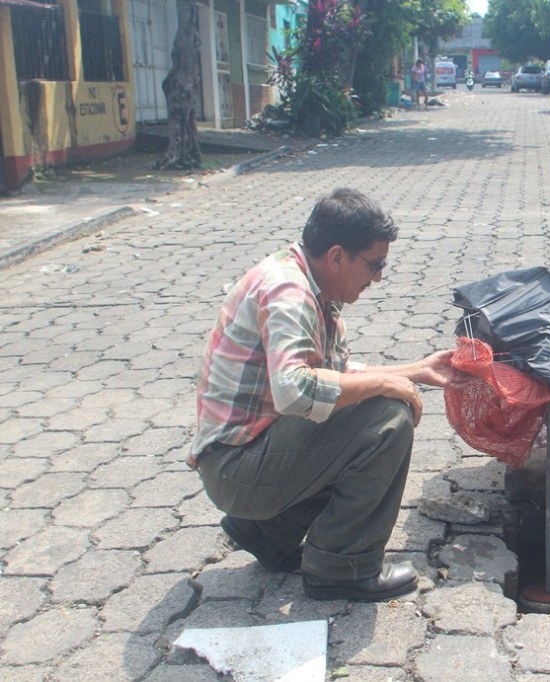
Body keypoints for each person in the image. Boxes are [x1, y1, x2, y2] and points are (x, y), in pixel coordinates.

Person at [188, 187, 464, 602]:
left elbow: (330, 377)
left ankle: (267, 531)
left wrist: (414, 371)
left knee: (369, 401)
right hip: (236, 469)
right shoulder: (289, 294)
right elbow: (295, 390)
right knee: (388, 416)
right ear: (337, 256)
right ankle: (341, 567)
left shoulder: (303, 280)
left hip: (237, 458)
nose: (379, 277)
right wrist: (389, 386)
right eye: (374, 264)